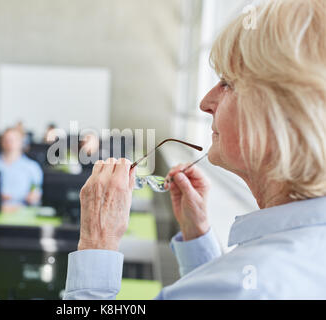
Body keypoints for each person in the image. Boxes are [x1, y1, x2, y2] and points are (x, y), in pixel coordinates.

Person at [64, 0, 326, 299]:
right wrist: (197, 234)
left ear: (282, 112)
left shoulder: (246, 287)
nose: (205, 102)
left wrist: (97, 240)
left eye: (227, 83)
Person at [0, 127, 43, 209]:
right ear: (1, 142)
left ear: (22, 142)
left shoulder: (32, 167)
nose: (10, 143)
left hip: (23, 211)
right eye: (7, 140)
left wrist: (33, 197)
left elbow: (36, 193)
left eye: (14, 140)